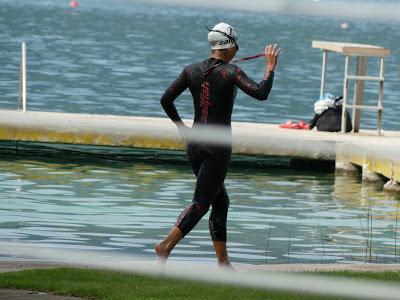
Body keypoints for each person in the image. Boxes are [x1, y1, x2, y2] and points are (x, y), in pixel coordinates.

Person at [155, 22, 281, 266]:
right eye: (236, 46)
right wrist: (269, 68)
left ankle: (223, 262)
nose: (238, 50)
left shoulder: (191, 70)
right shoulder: (231, 73)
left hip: (194, 145)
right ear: (228, 46)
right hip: (217, 147)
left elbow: (166, 100)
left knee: (220, 201)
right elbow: (261, 92)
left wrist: (182, 129)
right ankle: (165, 246)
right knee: (200, 203)